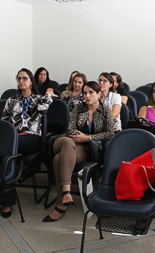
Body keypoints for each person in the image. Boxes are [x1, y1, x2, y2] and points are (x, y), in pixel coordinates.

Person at [43, 81, 114, 222]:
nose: (87, 96)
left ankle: (61, 203)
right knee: (67, 142)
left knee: (58, 160)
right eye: (85, 93)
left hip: (87, 148)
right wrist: (77, 137)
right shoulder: (78, 108)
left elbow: (110, 133)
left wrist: (88, 137)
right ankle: (67, 189)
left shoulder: (105, 110)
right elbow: (69, 129)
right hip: (66, 142)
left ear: (99, 94)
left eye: (91, 92)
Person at [2, 68, 52, 217]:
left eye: (24, 78)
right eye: (19, 79)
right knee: (9, 156)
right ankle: (7, 198)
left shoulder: (39, 99)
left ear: (31, 81)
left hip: (32, 138)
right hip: (15, 138)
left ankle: (5, 198)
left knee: (7, 150)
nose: (21, 81)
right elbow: (3, 122)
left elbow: (46, 105)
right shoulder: (11, 101)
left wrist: (48, 94)